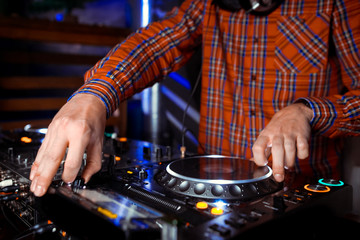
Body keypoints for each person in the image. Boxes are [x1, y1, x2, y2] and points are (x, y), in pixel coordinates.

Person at [29, 0, 360, 197]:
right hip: (207, 190)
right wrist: (95, 94)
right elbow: (157, 43)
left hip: (302, 195)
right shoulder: (208, 4)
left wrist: (308, 111)